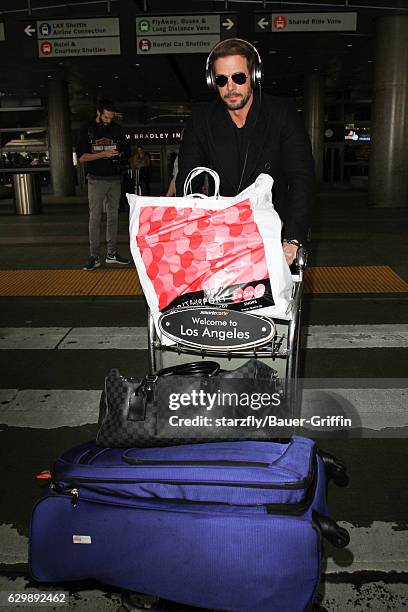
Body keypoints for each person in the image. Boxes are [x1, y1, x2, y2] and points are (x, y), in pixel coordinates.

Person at [176, 38, 315, 265]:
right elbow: (188, 179)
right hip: (221, 238)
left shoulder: (282, 114)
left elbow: (301, 178)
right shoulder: (201, 119)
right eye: (222, 80)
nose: (230, 87)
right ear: (213, 82)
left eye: (238, 78)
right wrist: (192, 232)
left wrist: (292, 239)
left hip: (273, 236)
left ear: (254, 76)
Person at [77, 99, 130, 270]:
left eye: (111, 117)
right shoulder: (87, 129)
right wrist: (104, 154)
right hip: (95, 180)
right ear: (98, 113)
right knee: (95, 218)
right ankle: (94, 256)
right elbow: (82, 157)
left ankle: (112, 254)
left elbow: (126, 151)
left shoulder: (117, 129)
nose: (108, 120)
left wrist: (120, 156)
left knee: (113, 217)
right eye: (106, 117)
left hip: (114, 179)